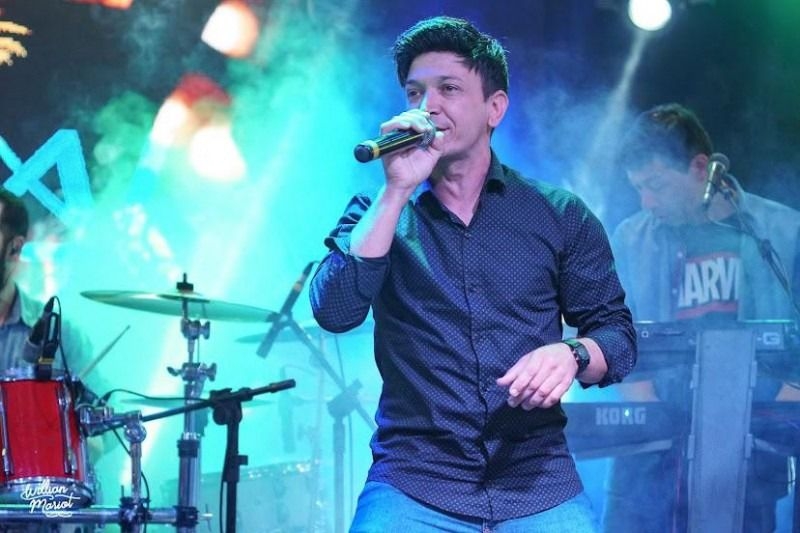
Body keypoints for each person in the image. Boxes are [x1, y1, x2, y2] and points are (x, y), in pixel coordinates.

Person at [309, 16, 637, 532]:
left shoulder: (558, 215)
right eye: (415, 92)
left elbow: (617, 335)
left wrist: (571, 354)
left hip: (538, 481)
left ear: (495, 108)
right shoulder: (378, 213)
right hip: (415, 481)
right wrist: (395, 191)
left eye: (449, 88)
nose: (428, 106)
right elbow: (334, 311)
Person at [605, 102, 800, 532]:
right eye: (638, 188)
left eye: (656, 185)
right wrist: (651, 421)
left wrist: (777, 419)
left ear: (700, 168)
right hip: (653, 451)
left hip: (754, 448)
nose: (647, 202)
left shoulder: (782, 231)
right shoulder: (632, 238)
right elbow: (615, 335)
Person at [0, 188, 109, 532]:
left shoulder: (57, 334)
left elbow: (105, 419)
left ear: (15, 247)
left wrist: (82, 443)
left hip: (36, 513)